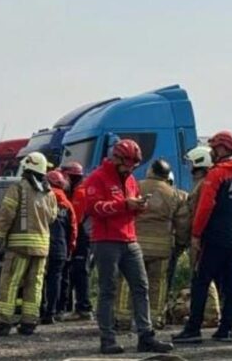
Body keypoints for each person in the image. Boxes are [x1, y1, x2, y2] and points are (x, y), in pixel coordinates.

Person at [85, 139, 173, 354]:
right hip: (106, 241)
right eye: (127, 163)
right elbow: (95, 208)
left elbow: (127, 209)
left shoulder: (132, 180)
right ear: (115, 158)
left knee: (141, 287)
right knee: (108, 290)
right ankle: (107, 339)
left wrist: (138, 207)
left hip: (129, 239)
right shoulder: (97, 178)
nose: (130, 168)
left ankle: (146, 336)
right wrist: (125, 204)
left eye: (134, 164)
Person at [173, 131, 232, 344]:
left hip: (215, 239)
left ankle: (193, 329)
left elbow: (205, 206)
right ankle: (226, 330)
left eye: (213, 147)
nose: (211, 151)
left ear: (221, 149)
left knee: (200, 282)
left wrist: (196, 235)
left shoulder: (216, 174)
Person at [0, 152, 58, 337]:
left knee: (10, 283)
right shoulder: (49, 193)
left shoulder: (18, 188)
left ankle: (2, 323)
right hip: (42, 247)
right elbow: (52, 218)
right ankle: (29, 323)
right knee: (34, 285)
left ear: (26, 168)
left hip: (19, 247)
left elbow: (6, 214)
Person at [114, 159, 188, 330]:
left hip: (133, 244)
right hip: (161, 248)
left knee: (126, 281)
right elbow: (183, 223)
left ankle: (122, 318)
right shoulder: (176, 194)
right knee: (158, 282)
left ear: (151, 171)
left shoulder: (135, 186)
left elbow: (122, 211)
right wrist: (180, 244)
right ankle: (154, 318)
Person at [181, 146, 221, 328]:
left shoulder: (202, 185)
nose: (189, 167)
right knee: (202, 276)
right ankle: (209, 313)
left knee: (201, 276)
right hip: (204, 236)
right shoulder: (203, 183)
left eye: (191, 163)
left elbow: (197, 212)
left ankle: (211, 314)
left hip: (200, 237)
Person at [41, 170, 77, 325]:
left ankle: (38, 311)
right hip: (60, 248)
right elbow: (73, 229)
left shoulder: (42, 199)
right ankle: (51, 312)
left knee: (38, 280)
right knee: (55, 279)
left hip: (41, 245)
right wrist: (69, 249)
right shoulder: (67, 205)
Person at [60, 161, 94, 321]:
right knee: (75, 270)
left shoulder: (80, 192)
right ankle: (77, 306)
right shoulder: (77, 190)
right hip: (80, 234)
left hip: (82, 235)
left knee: (80, 270)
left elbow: (75, 218)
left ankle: (84, 307)